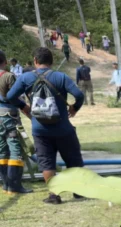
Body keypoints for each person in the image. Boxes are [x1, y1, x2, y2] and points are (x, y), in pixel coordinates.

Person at [6, 47, 85, 204]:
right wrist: (74, 108)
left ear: (35, 60)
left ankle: (54, 195)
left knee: (47, 161)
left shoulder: (25, 78)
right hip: (64, 128)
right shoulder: (61, 77)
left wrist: (23, 106)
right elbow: (79, 95)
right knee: (73, 159)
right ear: (52, 61)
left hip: (40, 129)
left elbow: (10, 96)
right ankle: (78, 191)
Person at [0, 50, 33, 194]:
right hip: (9, 116)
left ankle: (6, 184)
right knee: (15, 150)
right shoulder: (9, 76)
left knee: (1, 151)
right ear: (5, 61)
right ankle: (15, 186)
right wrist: (27, 110)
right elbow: (16, 97)